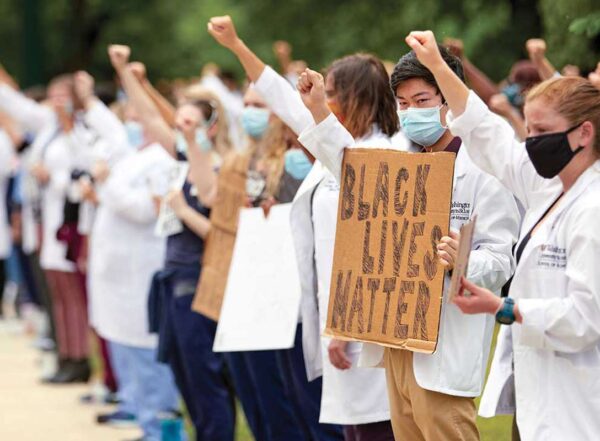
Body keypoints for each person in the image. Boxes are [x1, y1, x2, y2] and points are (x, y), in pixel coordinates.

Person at [289, 36, 521, 441]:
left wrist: (461, 259)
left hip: (445, 342)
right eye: (404, 104)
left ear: (449, 100)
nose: (412, 112)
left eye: (423, 100)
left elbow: (502, 260)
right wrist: (318, 109)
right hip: (397, 339)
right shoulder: (403, 156)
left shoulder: (482, 171)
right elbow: (352, 168)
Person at [208, 15, 397, 441]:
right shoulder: (335, 144)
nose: (318, 103)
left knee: (376, 426)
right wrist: (237, 46)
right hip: (331, 317)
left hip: (364, 325)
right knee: (349, 426)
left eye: (330, 95)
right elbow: (282, 98)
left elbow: (372, 251)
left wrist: (347, 326)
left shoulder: (383, 155)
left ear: (359, 99)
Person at [404, 30, 600, 441]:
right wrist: (439, 66)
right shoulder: (547, 185)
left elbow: (585, 319)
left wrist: (506, 308)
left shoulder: (592, 207)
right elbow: (486, 134)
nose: (531, 142)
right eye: (528, 129)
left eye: (542, 130)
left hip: (581, 400)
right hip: (540, 395)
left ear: (584, 134)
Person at [109, 46, 236, 441]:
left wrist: (181, 209)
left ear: (210, 127)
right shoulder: (185, 157)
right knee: (187, 382)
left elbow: (221, 234)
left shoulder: (220, 166)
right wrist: (126, 73)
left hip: (201, 281)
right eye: (178, 122)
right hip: (174, 281)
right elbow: (149, 115)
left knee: (206, 381)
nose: (179, 129)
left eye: (189, 123)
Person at [80, 62, 182, 441]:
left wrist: (106, 188)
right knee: (124, 349)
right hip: (116, 275)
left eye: (140, 116)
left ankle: (162, 428)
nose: (134, 122)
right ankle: (143, 420)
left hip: (143, 271)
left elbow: (149, 212)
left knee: (147, 355)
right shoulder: (131, 157)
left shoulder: (166, 160)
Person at [0, 72, 92, 383]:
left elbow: (85, 174)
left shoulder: (83, 131)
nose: (56, 102)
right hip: (42, 220)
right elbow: (16, 106)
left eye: (62, 96)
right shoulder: (48, 127)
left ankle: (79, 358)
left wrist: (50, 178)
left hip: (67, 223)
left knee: (71, 294)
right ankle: (65, 354)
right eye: (52, 96)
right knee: (56, 293)